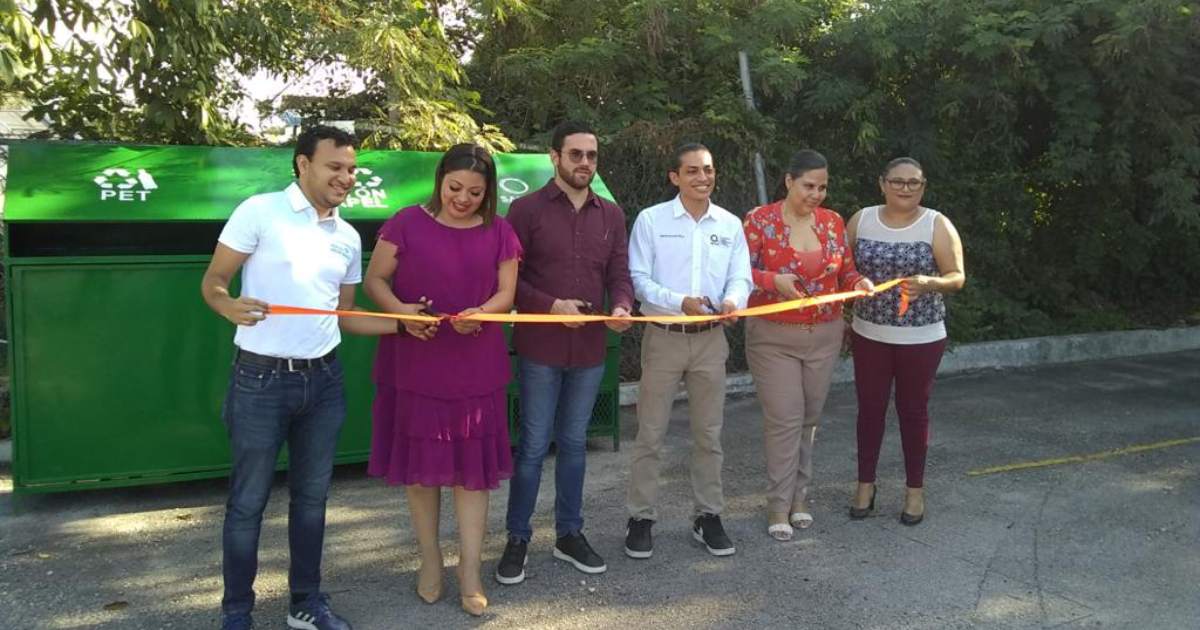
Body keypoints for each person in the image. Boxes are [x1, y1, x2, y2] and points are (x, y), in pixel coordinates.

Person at [202, 125, 396, 630]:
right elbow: (214, 282)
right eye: (335, 167)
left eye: (352, 169)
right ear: (303, 164)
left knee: (312, 499)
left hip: (324, 383)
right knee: (248, 503)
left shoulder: (348, 237)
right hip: (259, 381)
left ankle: (305, 602)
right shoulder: (259, 212)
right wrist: (228, 307)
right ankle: (236, 613)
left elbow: (344, 315)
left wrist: (407, 324)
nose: (346, 178)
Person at [364, 143, 521, 617]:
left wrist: (483, 313)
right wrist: (401, 313)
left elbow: (507, 293)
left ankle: (469, 569)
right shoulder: (405, 221)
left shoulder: (501, 231)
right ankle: (430, 559)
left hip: (476, 362)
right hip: (416, 357)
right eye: (455, 187)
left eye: (475, 191)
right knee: (421, 471)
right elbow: (375, 281)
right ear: (440, 180)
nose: (463, 198)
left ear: (488, 192)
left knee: (473, 478)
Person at [496, 121, 634, 585]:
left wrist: (621, 305)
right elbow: (510, 281)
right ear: (555, 157)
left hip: (590, 349)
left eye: (591, 156)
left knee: (574, 444)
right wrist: (550, 305)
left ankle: (569, 534)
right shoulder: (526, 209)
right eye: (575, 155)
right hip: (540, 347)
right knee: (534, 446)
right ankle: (517, 539)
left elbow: (619, 272)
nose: (584, 164)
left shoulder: (611, 214)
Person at [625, 143, 753, 558]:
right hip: (663, 336)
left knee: (709, 435)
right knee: (650, 433)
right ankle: (641, 518)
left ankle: (708, 516)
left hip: (711, 339)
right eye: (693, 171)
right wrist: (679, 301)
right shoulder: (651, 220)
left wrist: (735, 302)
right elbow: (639, 279)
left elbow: (741, 277)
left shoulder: (730, 224)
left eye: (709, 170)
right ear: (674, 177)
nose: (703, 177)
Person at [742, 149, 873, 542]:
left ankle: (800, 497)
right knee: (784, 418)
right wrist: (771, 281)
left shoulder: (832, 223)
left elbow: (845, 271)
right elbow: (736, 272)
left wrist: (858, 284)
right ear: (788, 181)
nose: (816, 193)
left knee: (809, 418)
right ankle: (778, 504)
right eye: (808, 185)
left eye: (822, 187)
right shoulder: (759, 221)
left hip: (825, 335)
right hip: (773, 335)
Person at [847, 157, 965, 526]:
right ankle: (866, 484)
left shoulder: (937, 223)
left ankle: (915, 490)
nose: (905, 188)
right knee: (870, 411)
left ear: (923, 186)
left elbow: (957, 277)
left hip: (922, 337)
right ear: (882, 183)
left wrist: (931, 283)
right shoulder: (861, 219)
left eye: (914, 182)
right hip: (869, 334)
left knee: (913, 413)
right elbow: (843, 270)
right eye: (897, 181)